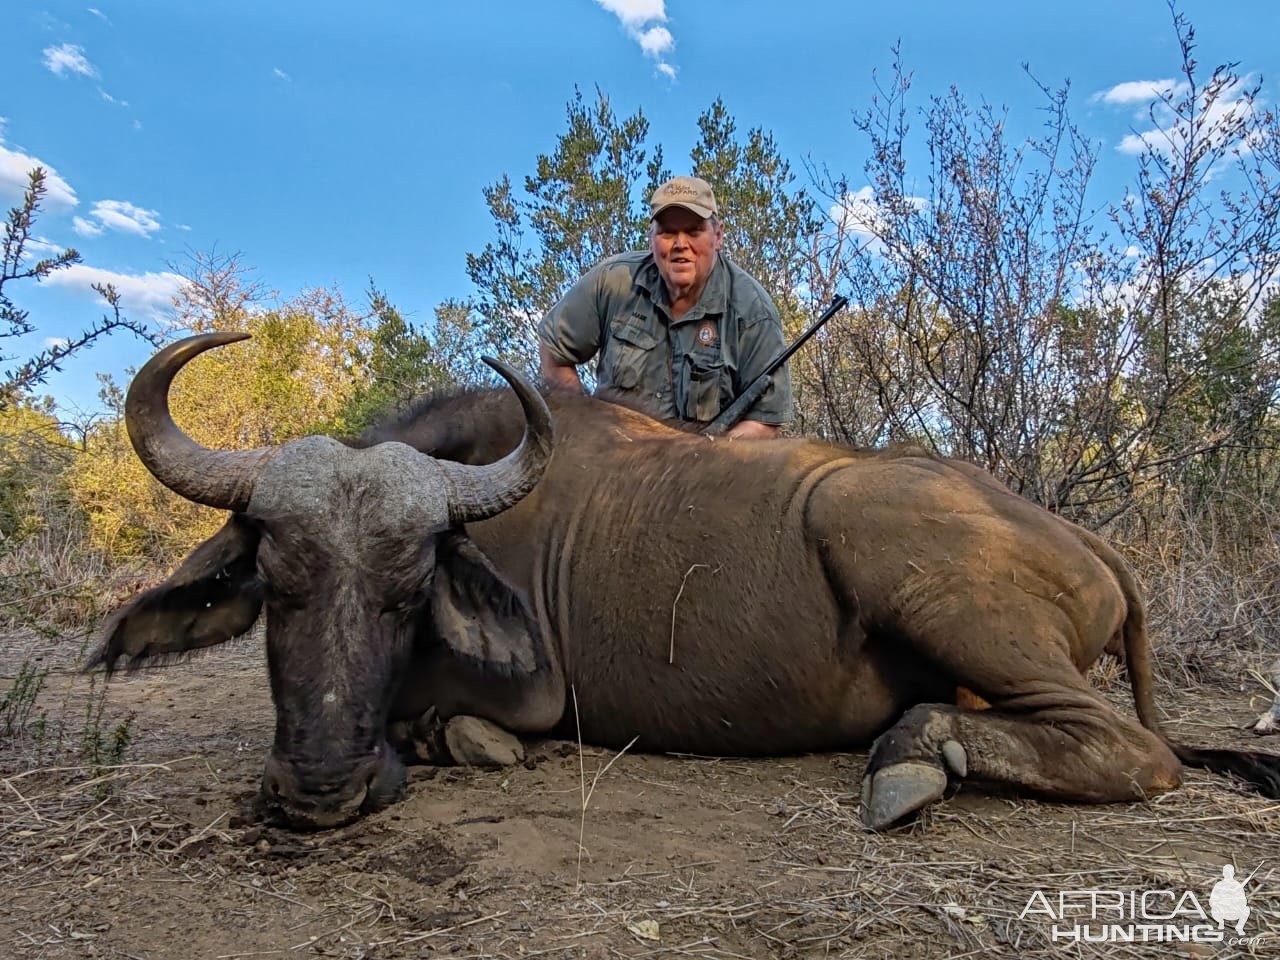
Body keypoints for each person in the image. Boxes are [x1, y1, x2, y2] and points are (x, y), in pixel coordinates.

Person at [538, 175, 792, 439]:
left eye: (694, 231)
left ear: (718, 236)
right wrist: (585, 425)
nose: (680, 244)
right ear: (651, 238)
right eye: (668, 232)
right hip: (612, 464)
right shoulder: (612, 281)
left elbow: (765, 420)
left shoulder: (753, 311)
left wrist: (714, 456)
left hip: (704, 471)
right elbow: (555, 351)